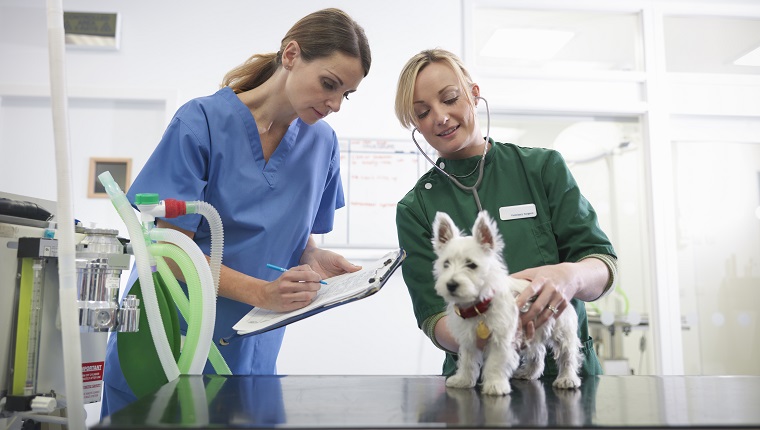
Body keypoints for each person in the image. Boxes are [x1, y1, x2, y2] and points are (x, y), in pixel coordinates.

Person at [101, 8, 370, 416]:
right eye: (329, 84)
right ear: (292, 54)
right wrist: (262, 292)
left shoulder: (322, 145)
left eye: (345, 94)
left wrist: (315, 259)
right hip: (170, 336)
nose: (334, 104)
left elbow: (296, 240)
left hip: (250, 349)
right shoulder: (202, 122)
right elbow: (170, 255)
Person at [394, 48, 617, 378]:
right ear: (415, 123)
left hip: (564, 376)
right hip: (478, 381)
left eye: (450, 98)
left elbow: (601, 263)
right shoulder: (416, 208)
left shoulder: (542, 168)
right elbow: (433, 316)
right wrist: (490, 334)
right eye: (423, 112)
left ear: (474, 94)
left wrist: (570, 277)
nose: (439, 117)